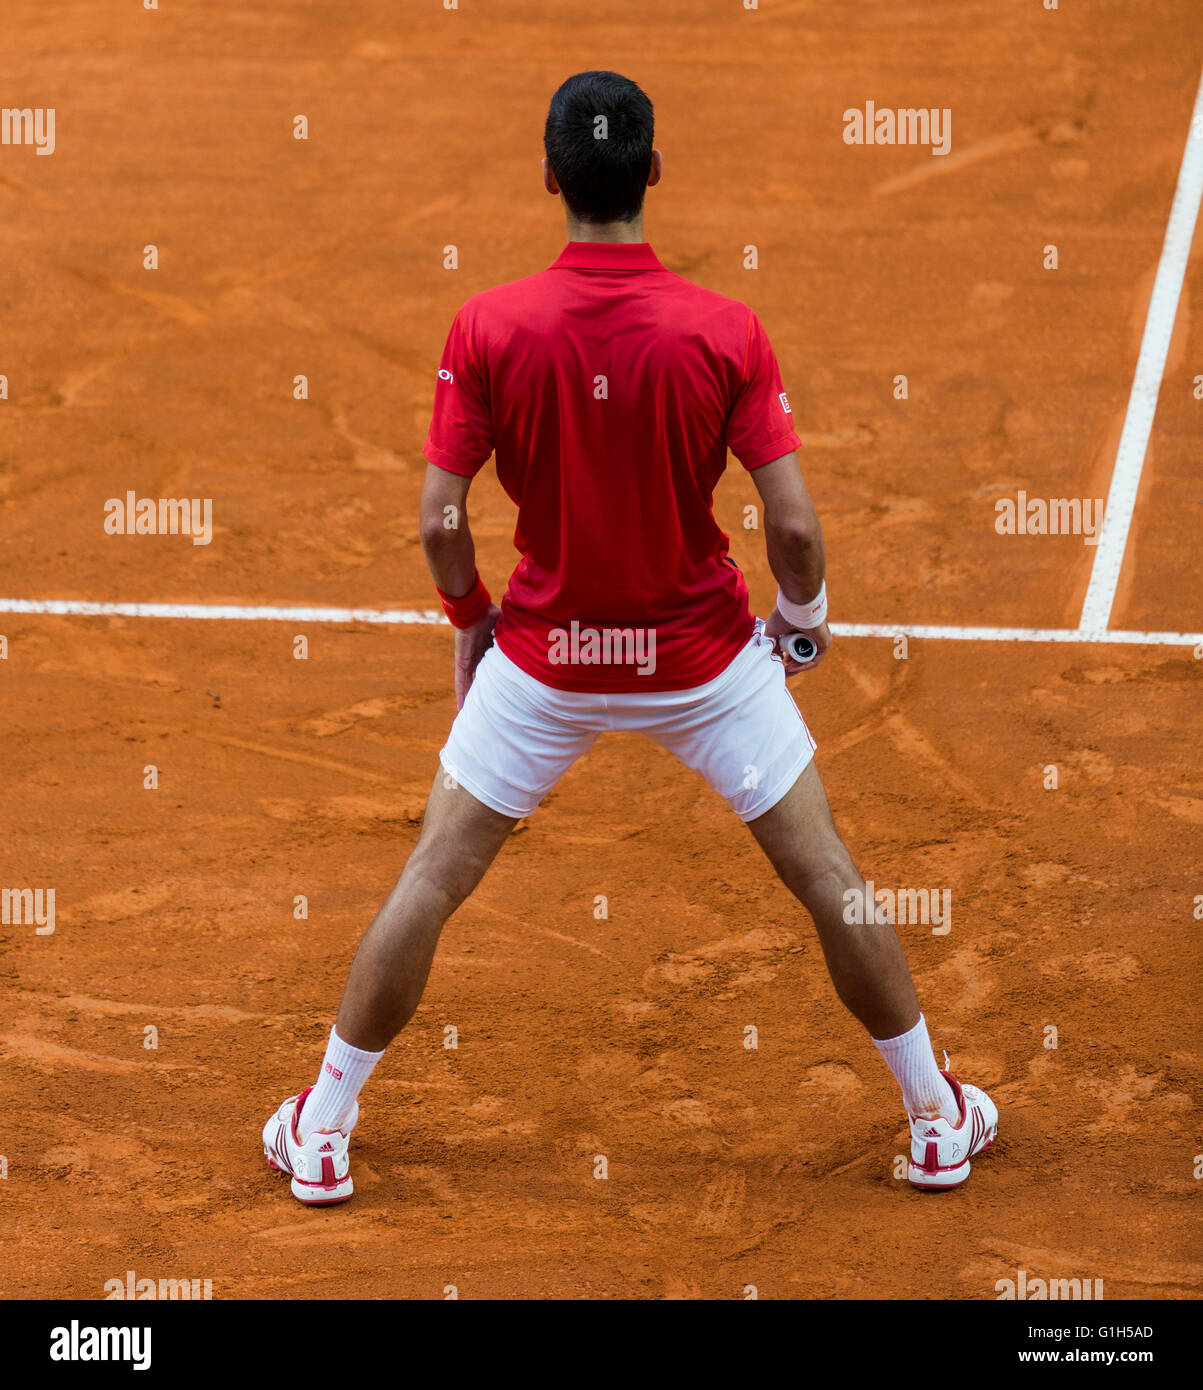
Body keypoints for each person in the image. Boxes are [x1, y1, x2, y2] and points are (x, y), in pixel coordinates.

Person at [263, 70, 997, 1206]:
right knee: (834, 885)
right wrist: (796, 628)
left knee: (430, 883)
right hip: (706, 665)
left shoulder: (490, 325)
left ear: (551, 175)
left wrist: (472, 624)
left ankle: (324, 1126)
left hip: (544, 668)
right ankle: (936, 1117)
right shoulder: (724, 330)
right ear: (652, 173)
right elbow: (793, 528)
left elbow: (437, 516)